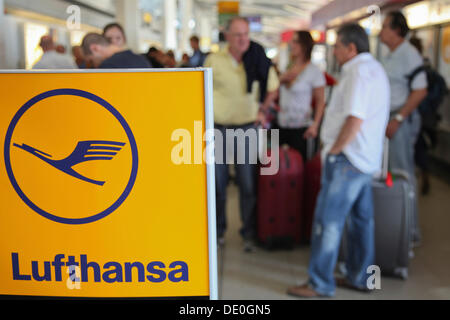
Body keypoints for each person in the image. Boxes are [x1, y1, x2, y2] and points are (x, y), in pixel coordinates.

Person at [287, 23, 390, 298]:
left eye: (337, 46)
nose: (334, 50)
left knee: (328, 222)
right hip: (365, 159)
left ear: (351, 48)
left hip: (347, 159)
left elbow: (355, 118)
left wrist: (334, 150)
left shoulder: (357, 73)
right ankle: (361, 277)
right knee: (361, 221)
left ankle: (319, 283)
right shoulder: (375, 69)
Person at [204, 17, 279, 252]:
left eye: (246, 34)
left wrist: (263, 109)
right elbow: (200, 88)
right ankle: (218, 232)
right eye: (237, 35)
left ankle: (248, 231)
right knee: (218, 184)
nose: (243, 39)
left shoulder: (257, 58)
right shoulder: (214, 60)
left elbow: (273, 87)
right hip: (217, 129)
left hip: (248, 128)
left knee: (248, 184)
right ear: (227, 36)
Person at [379, 11, 427, 244]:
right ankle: (394, 224)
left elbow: (420, 90)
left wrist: (398, 118)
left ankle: (411, 231)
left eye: (385, 26)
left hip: (401, 121)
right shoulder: (390, 55)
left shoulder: (409, 54)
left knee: (403, 173)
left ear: (397, 30)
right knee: (390, 173)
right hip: (389, 118)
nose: (381, 31)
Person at [273, 31, 326, 159]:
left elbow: (320, 101)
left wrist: (315, 125)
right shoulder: (288, 68)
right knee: (280, 166)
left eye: (295, 41)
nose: (292, 44)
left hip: (301, 127)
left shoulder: (314, 72)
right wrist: (280, 80)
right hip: (282, 124)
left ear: (304, 46)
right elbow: (274, 92)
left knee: (298, 165)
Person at [81, 33, 150, 69]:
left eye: (91, 61)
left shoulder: (107, 66)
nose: (94, 66)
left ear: (95, 48)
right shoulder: (142, 59)